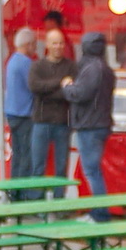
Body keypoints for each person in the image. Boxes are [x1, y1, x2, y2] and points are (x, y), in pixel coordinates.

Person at [62, 31, 117, 224]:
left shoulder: (91, 69)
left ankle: (100, 213)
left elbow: (80, 93)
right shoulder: (106, 69)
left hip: (90, 125)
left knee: (92, 171)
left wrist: (67, 86)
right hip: (100, 123)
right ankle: (98, 211)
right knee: (93, 170)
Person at [27, 26, 76, 198]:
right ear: (47, 44)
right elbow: (35, 87)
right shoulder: (37, 66)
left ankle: (59, 203)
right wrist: (60, 83)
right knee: (38, 166)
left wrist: (49, 89)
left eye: (61, 43)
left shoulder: (71, 66)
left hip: (63, 122)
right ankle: (36, 204)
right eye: (55, 43)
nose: (58, 46)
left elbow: (71, 93)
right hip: (41, 121)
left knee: (61, 167)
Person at [4, 26, 37, 181]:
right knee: (26, 155)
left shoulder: (12, 60)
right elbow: (34, 86)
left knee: (17, 153)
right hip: (24, 114)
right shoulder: (26, 63)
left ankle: (14, 190)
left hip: (12, 112)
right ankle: (22, 191)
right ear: (28, 44)